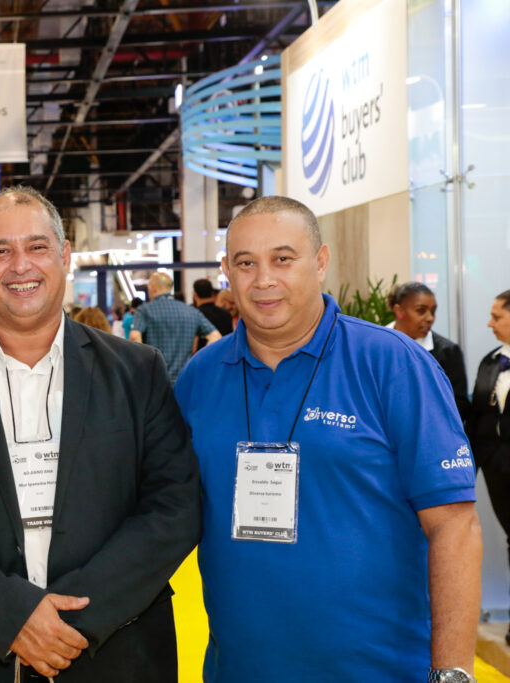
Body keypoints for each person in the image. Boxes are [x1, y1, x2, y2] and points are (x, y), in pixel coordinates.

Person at [0, 185, 201, 682]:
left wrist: (69, 621)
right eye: (0, 251)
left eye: (37, 247)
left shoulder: (137, 372)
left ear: (65, 256)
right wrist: (12, 613)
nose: (20, 266)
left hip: (112, 649)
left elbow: (173, 505)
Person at [173, 196, 481, 681]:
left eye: (282, 258)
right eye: (245, 263)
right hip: (239, 668)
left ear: (320, 263)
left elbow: (455, 527)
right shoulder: (200, 378)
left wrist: (452, 673)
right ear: (228, 273)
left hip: (380, 670)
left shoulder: (391, 364)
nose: (264, 279)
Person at [468, 290, 510, 646]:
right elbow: (479, 415)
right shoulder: (490, 360)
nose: (489, 323)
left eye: (497, 316)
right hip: (498, 467)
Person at [388, 281, 469, 421]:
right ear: (399, 310)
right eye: (421, 311)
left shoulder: (447, 351)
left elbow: (459, 404)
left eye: (433, 311)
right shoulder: (373, 344)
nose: (430, 318)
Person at [129, 272, 221, 384]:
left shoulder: (144, 310)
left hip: (156, 381)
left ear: (153, 288)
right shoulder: (191, 311)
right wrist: (198, 361)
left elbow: (134, 337)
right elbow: (215, 336)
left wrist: (143, 368)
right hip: (185, 380)